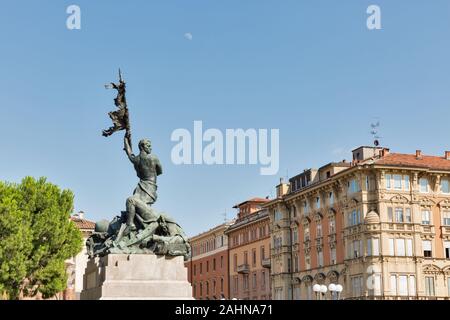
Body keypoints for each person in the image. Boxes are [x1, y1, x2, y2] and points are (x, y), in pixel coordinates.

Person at [123, 133, 163, 234]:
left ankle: (133, 225)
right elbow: (160, 171)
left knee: (134, 202)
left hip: (147, 187)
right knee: (135, 204)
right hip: (147, 186)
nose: (150, 148)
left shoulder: (136, 159)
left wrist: (126, 139)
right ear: (142, 147)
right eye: (148, 146)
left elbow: (129, 153)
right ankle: (134, 225)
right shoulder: (154, 158)